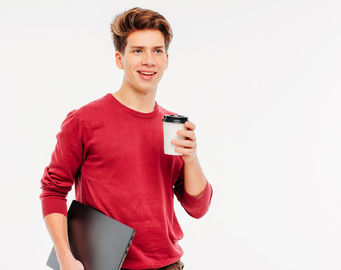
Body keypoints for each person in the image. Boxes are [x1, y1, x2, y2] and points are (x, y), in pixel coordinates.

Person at [39, 7, 213, 270]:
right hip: (104, 265)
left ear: (166, 59)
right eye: (137, 50)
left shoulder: (172, 126)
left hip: (168, 265)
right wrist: (65, 257)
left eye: (156, 51)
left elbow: (197, 208)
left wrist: (191, 158)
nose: (148, 60)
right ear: (120, 59)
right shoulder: (84, 121)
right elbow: (53, 190)